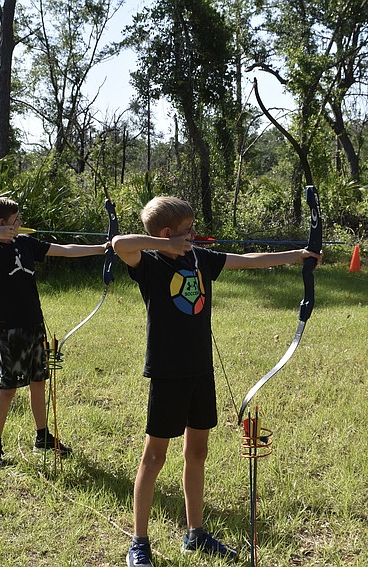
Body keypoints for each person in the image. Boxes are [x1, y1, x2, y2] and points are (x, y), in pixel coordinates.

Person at [111, 196, 322, 567]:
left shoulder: (199, 259)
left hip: (199, 370)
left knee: (198, 452)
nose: (194, 235)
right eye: (187, 230)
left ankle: (195, 534)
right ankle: (139, 542)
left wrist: (297, 256)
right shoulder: (150, 263)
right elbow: (119, 245)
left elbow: (247, 260)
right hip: (167, 372)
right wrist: (165, 245)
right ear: (166, 233)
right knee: (154, 456)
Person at [0, 197, 109, 469]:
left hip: (34, 322)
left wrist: (102, 249)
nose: (21, 223)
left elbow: (64, 250)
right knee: (9, 387)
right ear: (3, 224)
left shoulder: (25, 243)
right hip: (9, 325)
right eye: (16, 220)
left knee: (38, 381)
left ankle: (43, 437)